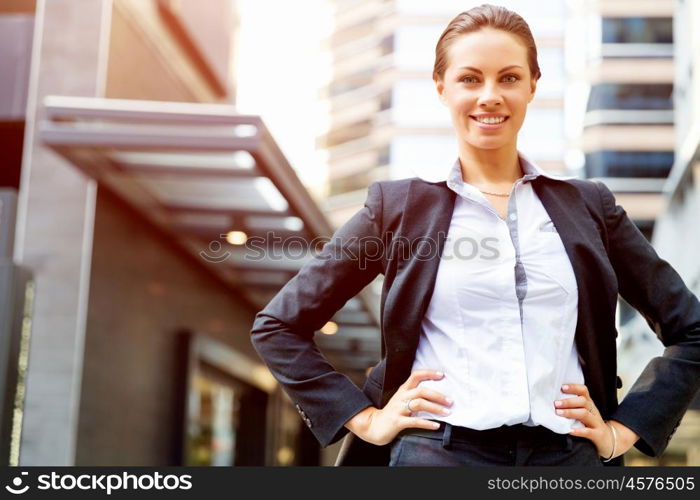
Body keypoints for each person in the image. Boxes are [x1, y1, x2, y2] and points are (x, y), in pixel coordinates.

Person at [250, 4, 700, 466]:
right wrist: (365, 419)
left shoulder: (590, 207)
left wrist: (624, 430)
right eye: (470, 79)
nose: (490, 96)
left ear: (532, 86)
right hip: (437, 455)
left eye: (508, 78)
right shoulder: (398, 208)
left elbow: (692, 329)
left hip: (568, 458)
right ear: (441, 88)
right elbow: (279, 326)